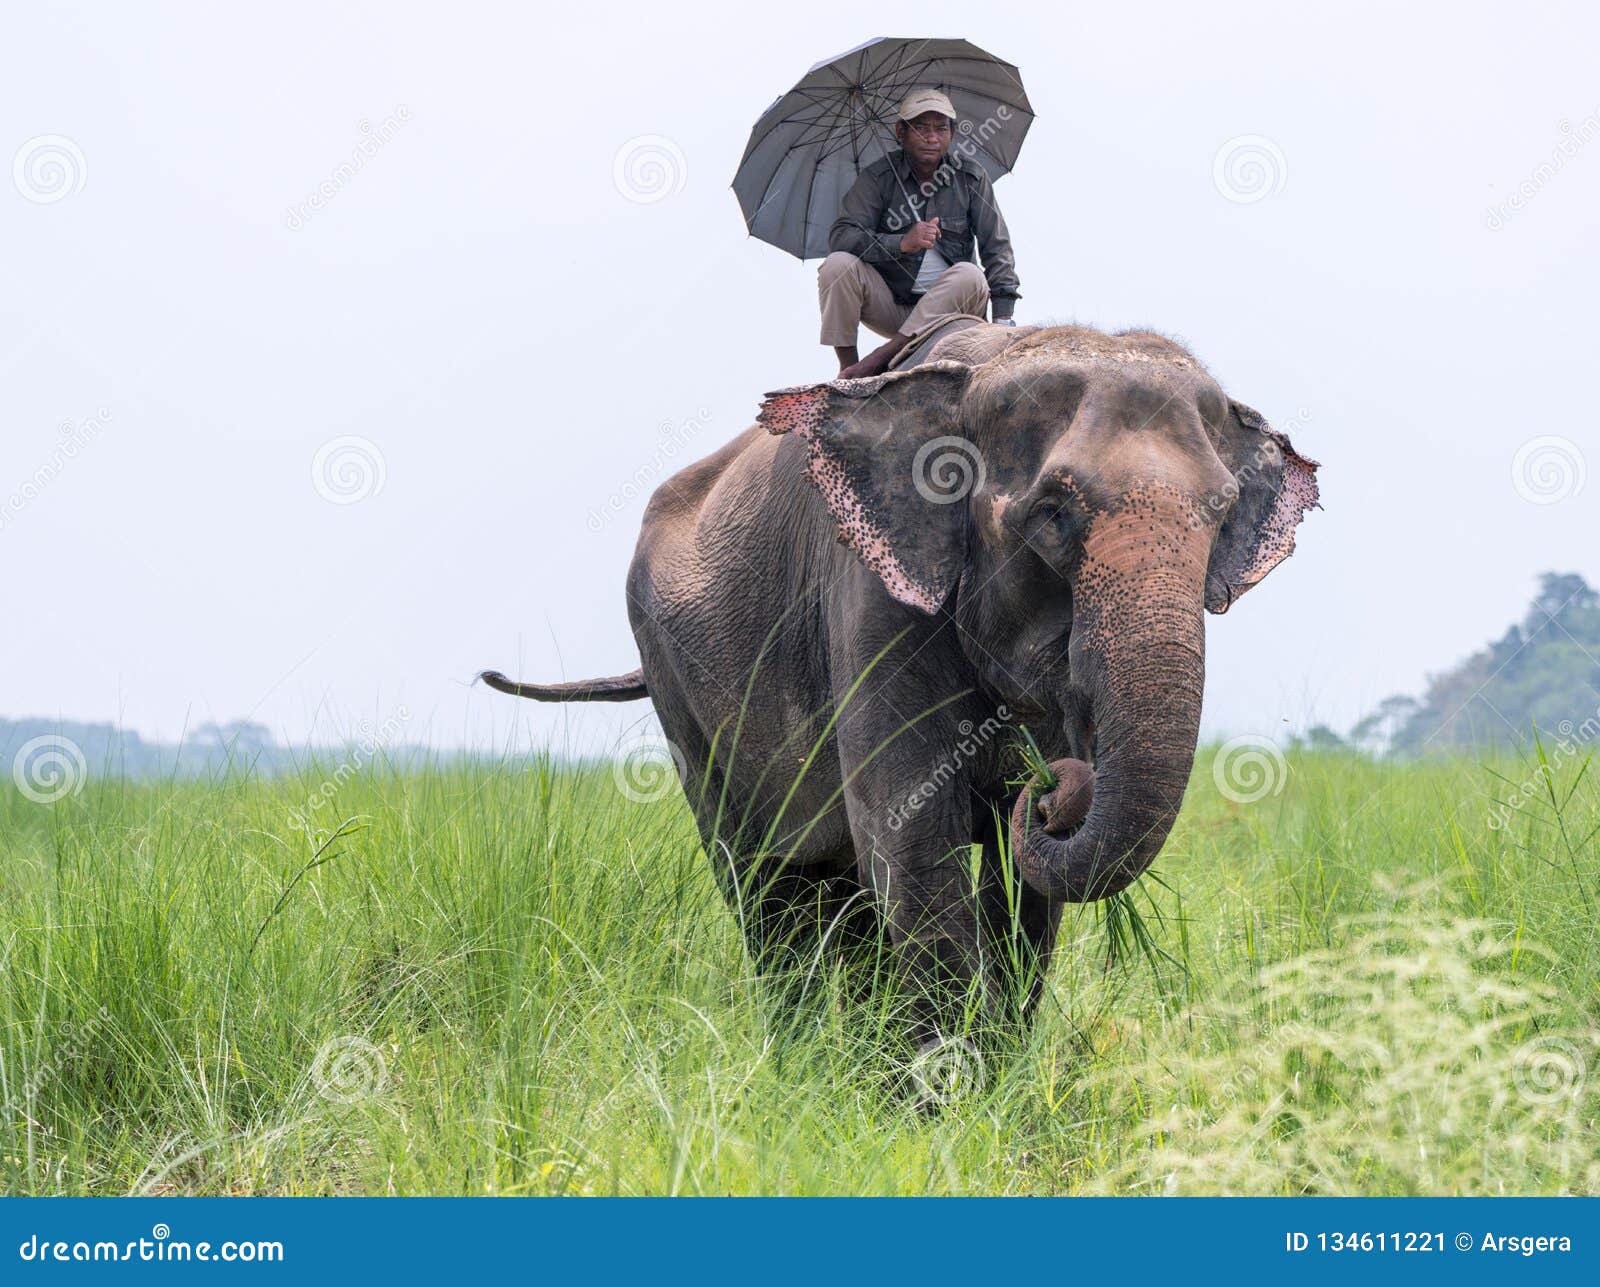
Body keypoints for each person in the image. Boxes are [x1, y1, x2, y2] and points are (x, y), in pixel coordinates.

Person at [819, 88, 1021, 378]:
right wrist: (900, 243)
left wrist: (1003, 319)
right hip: (896, 305)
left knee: (969, 274)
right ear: (901, 132)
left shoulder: (970, 177)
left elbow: (997, 246)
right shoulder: (878, 178)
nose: (931, 138)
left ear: (952, 134)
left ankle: (882, 357)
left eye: (941, 128)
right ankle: (849, 366)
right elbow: (841, 236)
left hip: (953, 309)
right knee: (837, 265)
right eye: (921, 128)